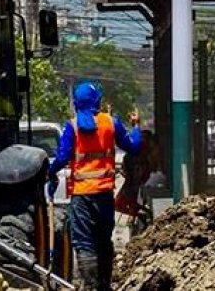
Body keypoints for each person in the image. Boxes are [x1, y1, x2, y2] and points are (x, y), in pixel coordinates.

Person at [47, 81, 141, 291]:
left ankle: (89, 286)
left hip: (82, 197)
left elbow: (61, 158)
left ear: (76, 103)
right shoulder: (111, 123)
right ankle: (104, 285)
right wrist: (136, 126)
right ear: (97, 101)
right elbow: (133, 146)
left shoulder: (72, 127)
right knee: (103, 240)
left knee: (84, 243)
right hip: (105, 195)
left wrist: (51, 173)